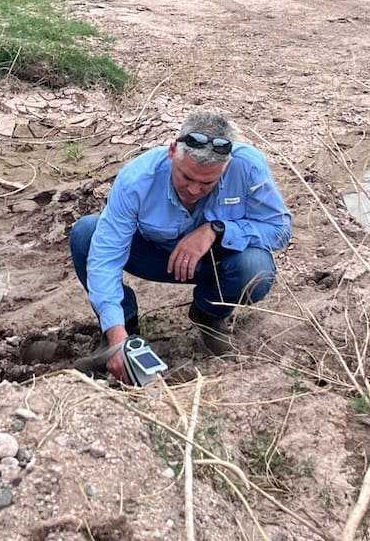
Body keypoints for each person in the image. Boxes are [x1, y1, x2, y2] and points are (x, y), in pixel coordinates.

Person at [71, 111, 292, 383]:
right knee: (86, 234)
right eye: (186, 177)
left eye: (208, 182)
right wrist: (117, 338)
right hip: (155, 257)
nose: (195, 190)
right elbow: (106, 256)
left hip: (215, 263)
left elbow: (280, 230)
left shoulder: (249, 167)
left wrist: (217, 230)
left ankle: (209, 315)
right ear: (173, 151)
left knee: (256, 267)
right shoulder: (137, 178)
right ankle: (125, 330)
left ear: (227, 164)